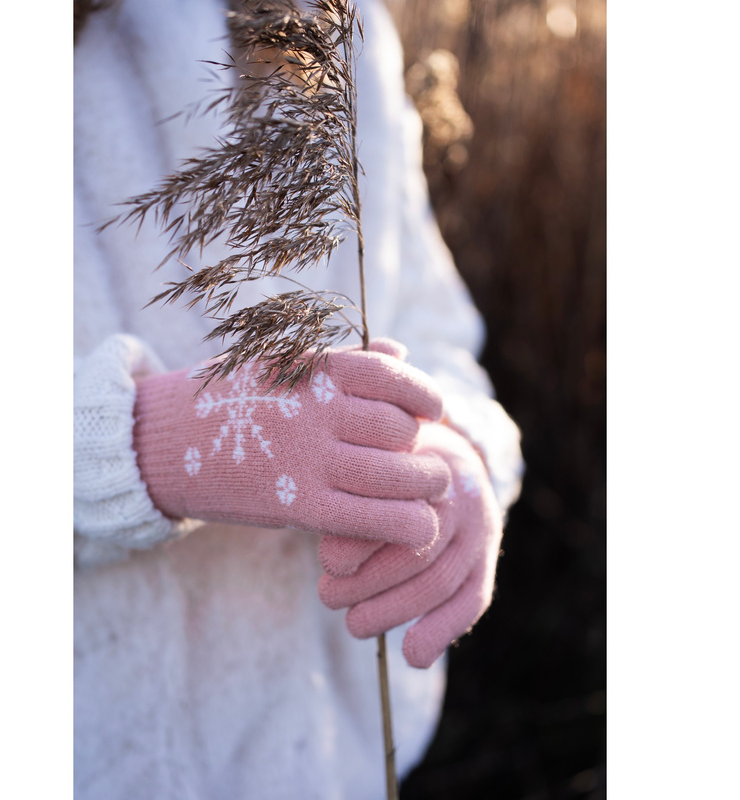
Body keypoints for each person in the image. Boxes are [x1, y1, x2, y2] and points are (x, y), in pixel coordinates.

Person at [73, 0, 524, 797]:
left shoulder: (335, 23)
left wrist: (453, 451)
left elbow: (435, 327)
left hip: (323, 750)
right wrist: (150, 444)